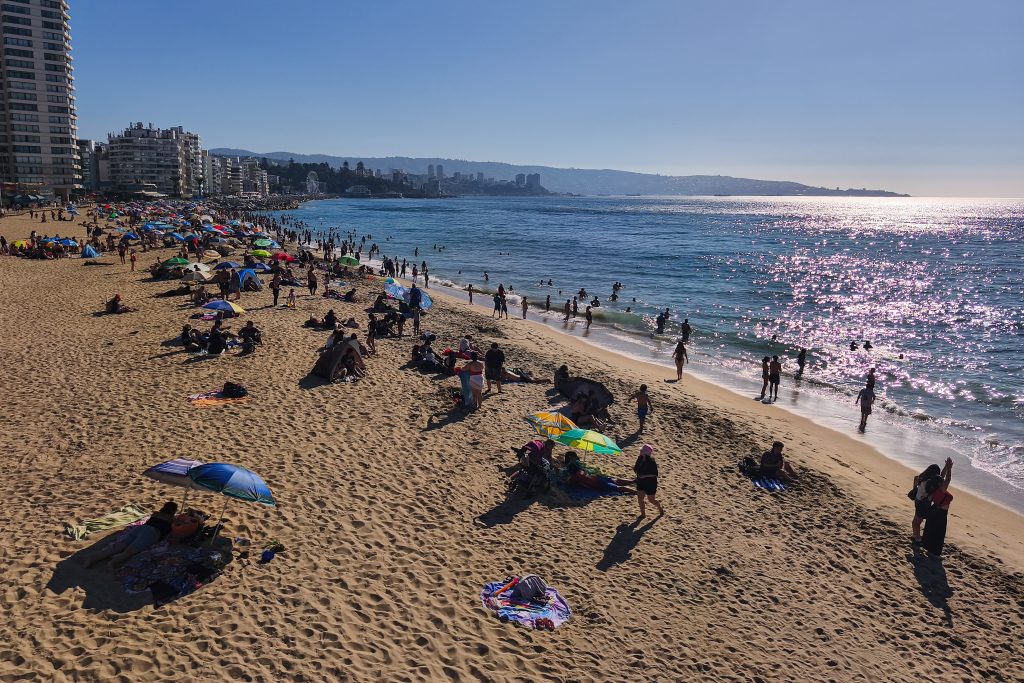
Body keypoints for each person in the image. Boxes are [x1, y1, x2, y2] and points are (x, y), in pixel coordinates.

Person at [83, 502, 178, 569]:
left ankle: (93, 558)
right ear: (173, 511)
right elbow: (175, 530)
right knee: (130, 551)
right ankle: (113, 562)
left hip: (141, 528)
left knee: (118, 547)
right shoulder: (171, 519)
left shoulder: (155, 514)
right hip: (151, 532)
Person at [922, 458, 954, 556]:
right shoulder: (941, 490)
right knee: (938, 533)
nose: (942, 480)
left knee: (931, 531)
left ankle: (928, 549)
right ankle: (934, 553)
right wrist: (949, 468)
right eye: (941, 481)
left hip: (934, 511)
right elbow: (947, 479)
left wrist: (946, 466)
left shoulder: (934, 487)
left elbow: (941, 476)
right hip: (940, 514)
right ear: (940, 483)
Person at [563, 452, 635, 494]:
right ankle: (634, 481)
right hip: (597, 478)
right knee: (616, 480)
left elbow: (566, 482)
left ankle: (636, 492)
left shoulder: (575, 476)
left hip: (598, 483)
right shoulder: (581, 470)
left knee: (618, 488)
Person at [910, 463, 942, 546]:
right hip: (925, 502)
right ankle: (916, 536)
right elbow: (942, 477)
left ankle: (917, 539)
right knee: (916, 521)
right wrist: (947, 467)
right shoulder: (933, 483)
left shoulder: (922, 478)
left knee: (916, 522)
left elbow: (915, 478)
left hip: (919, 501)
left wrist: (914, 489)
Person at [633, 444, 664, 518]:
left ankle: (660, 509)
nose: (640, 451)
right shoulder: (639, 458)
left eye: (642, 451)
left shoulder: (651, 462)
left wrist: (644, 476)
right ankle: (643, 514)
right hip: (641, 481)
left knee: (651, 500)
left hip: (650, 483)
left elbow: (655, 474)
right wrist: (636, 471)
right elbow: (636, 469)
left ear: (646, 453)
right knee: (640, 498)